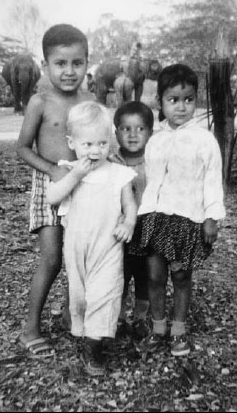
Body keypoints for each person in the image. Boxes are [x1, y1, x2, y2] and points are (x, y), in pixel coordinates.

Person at [136, 64, 226, 357]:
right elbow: (151, 180)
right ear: (160, 101)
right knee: (155, 275)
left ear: (196, 101)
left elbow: (212, 179)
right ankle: (158, 328)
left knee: (182, 276)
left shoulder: (204, 140)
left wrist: (211, 217)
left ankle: (178, 330)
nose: (181, 107)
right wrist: (140, 215)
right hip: (156, 218)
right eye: (173, 100)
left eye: (188, 99)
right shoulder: (156, 140)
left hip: (188, 220)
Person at [17, 24, 93, 357]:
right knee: (51, 259)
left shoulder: (90, 101)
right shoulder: (40, 102)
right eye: (60, 63)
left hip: (82, 186)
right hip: (48, 185)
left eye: (77, 63)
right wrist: (51, 169)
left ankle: (68, 314)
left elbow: (97, 142)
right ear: (46, 64)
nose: (69, 71)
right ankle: (30, 328)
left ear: (87, 63)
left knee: (80, 255)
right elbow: (21, 148)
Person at [46, 101, 137, 375]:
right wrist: (76, 174)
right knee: (81, 296)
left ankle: (93, 349)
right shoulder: (68, 170)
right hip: (76, 248)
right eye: (87, 145)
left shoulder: (119, 174)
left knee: (105, 293)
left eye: (102, 143)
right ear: (72, 143)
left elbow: (129, 204)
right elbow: (52, 197)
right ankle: (82, 329)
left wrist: (129, 221)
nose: (95, 151)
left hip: (108, 247)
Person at [109, 101, 154, 340]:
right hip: (121, 231)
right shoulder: (111, 161)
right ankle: (117, 317)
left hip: (148, 229)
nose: (133, 134)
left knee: (145, 275)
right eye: (126, 129)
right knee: (120, 273)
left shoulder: (154, 161)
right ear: (116, 132)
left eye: (140, 129)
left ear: (150, 132)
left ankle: (140, 317)